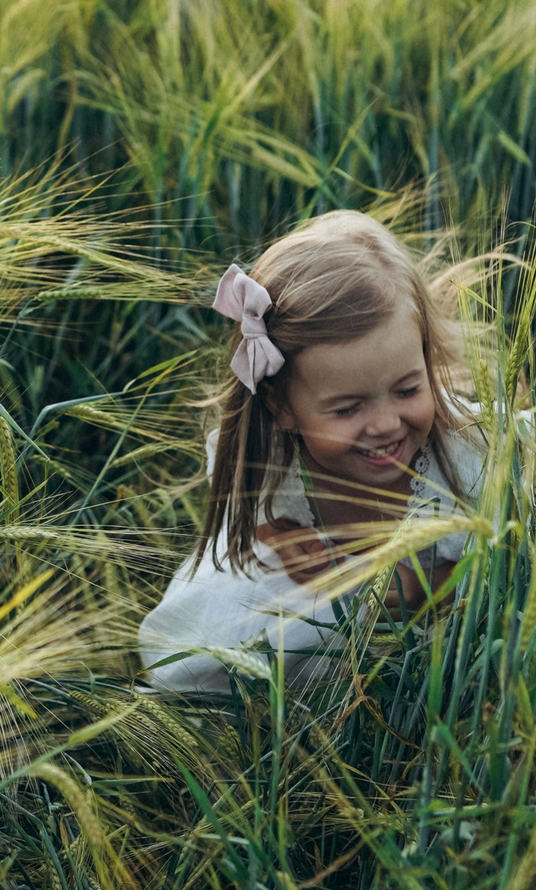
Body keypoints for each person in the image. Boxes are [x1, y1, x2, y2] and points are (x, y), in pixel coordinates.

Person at [138, 211, 486, 695]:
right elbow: (249, 502)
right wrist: (275, 536)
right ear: (282, 408)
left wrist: (416, 589)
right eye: (347, 408)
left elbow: (529, 556)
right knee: (223, 639)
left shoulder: (470, 449)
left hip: (459, 642)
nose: (386, 423)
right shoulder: (272, 456)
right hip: (330, 616)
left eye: (407, 389)